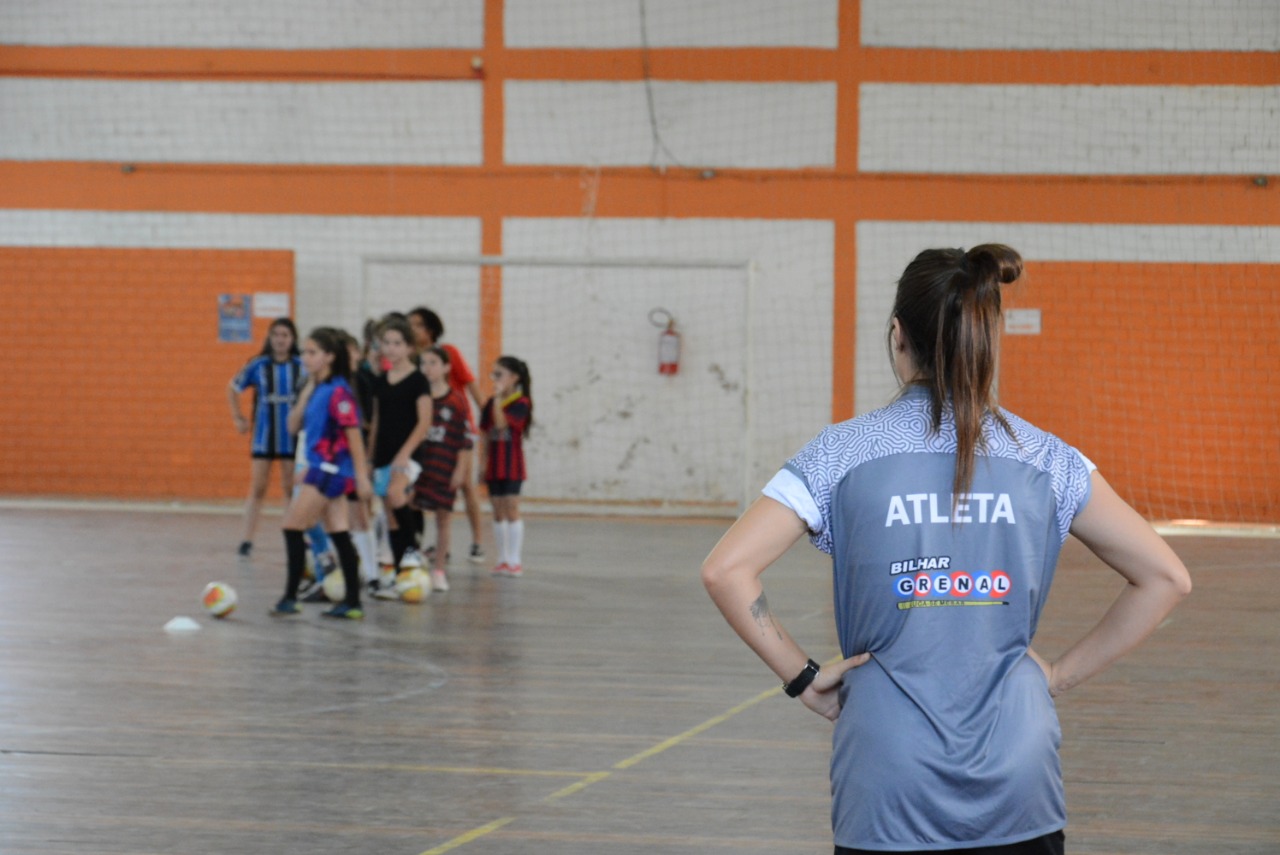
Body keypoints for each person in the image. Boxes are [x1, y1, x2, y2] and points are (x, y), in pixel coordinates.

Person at [701, 244, 1192, 854]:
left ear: (898, 335)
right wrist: (1059, 675)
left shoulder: (841, 453)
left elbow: (726, 569)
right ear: (987, 337)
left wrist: (803, 678)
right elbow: (1167, 578)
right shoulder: (1049, 459)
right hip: (1020, 776)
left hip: (887, 777)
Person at [272, 327, 373, 619]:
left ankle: (290, 597)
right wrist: (306, 393)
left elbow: (353, 435)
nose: (305, 357)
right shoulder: (317, 388)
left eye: (312, 352)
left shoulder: (340, 391)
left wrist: (361, 476)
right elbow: (294, 427)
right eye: (304, 352)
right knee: (339, 532)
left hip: (331, 471)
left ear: (329, 356)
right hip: (321, 468)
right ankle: (352, 602)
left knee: (292, 526)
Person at [407, 306, 486, 564]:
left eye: (417, 324)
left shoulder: (448, 353)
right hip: (428, 429)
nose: (412, 329)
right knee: (422, 486)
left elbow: (471, 386)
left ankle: (478, 542)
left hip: (456, 428)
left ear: (429, 329)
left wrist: (486, 416)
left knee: (464, 483)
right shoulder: (411, 358)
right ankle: (435, 546)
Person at [226, 318, 301, 557]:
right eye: (276, 334)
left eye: (285, 335)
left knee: (290, 488)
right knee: (258, 488)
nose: (280, 339)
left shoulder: (302, 366)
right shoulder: (258, 365)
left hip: (292, 437)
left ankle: (292, 535)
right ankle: (246, 539)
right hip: (263, 436)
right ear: (269, 338)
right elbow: (233, 387)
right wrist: (238, 417)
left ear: (293, 339)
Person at [367, 317, 432, 591]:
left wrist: (404, 454)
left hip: (408, 455)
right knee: (389, 515)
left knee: (396, 495)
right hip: (383, 454)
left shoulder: (418, 380)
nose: (391, 349)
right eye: (387, 343)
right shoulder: (382, 380)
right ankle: (398, 572)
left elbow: (424, 422)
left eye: (397, 343)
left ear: (409, 348)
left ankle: (412, 554)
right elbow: (377, 421)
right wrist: (370, 458)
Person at [409, 346, 474, 593]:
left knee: (443, 520)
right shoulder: (418, 397)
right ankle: (410, 560)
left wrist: (461, 469)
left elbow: (466, 440)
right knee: (408, 513)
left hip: (444, 468)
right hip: (418, 468)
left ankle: (438, 570)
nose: (427, 368)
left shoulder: (456, 401)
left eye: (433, 362)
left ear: (446, 367)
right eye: (423, 362)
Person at [479, 356, 533, 577]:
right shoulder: (491, 403)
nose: (496, 379)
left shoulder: (521, 403)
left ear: (514, 378)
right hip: (494, 463)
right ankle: (502, 559)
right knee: (497, 510)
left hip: (512, 464)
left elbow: (502, 424)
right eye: (494, 374)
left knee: (511, 508)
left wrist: (499, 398)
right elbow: (484, 434)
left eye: (499, 374)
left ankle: (515, 560)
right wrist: (481, 463)